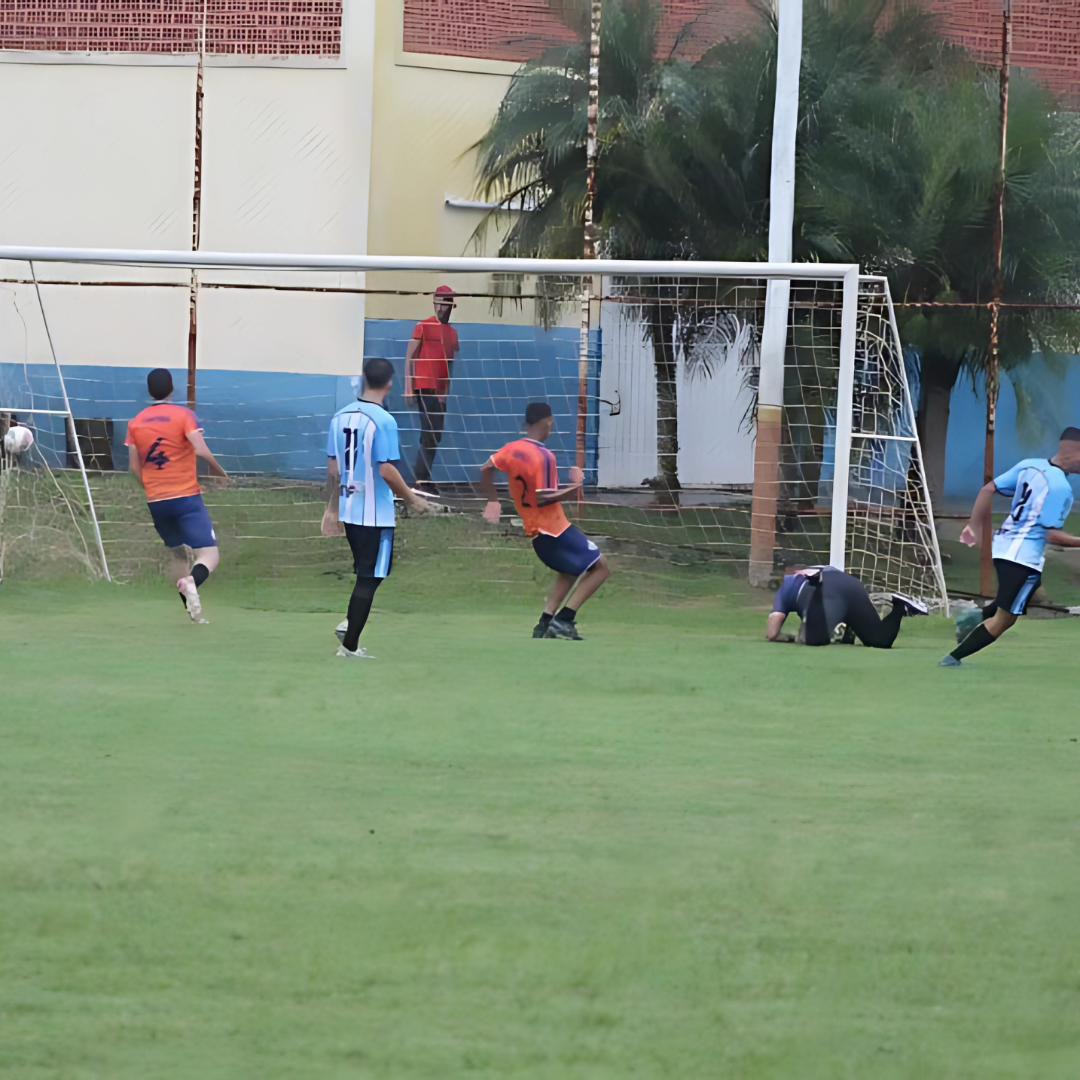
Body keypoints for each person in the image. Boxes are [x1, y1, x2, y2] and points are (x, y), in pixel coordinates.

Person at [940, 428, 1080, 667]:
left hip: (1003, 547)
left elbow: (988, 488)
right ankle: (953, 658)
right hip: (1023, 558)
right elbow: (1052, 535)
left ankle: (973, 617)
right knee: (1006, 619)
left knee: (1032, 593)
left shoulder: (1030, 466)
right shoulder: (1061, 489)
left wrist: (972, 526)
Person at [328, 357, 433, 660]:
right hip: (375, 513)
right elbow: (386, 469)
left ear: (364, 379)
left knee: (370, 572)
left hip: (349, 509)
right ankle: (348, 644)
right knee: (371, 575)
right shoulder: (384, 420)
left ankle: (350, 624)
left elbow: (333, 467)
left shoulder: (340, 417)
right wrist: (413, 500)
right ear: (389, 383)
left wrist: (331, 509)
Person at [480, 401, 610, 640]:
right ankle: (564, 620)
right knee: (600, 568)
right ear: (547, 423)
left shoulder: (510, 449)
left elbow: (486, 468)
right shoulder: (543, 456)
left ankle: (545, 623)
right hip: (553, 530)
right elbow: (542, 498)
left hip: (538, 533)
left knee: (569, 572)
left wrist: (493, 500)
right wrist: (575, 486)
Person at [125, 368, 228, 623]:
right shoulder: (184, 415)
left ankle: (194, 613)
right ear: (172, 389)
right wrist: (220, 473)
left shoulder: (135, 422)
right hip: (185, 497)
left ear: (149, 391)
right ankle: (193, 583)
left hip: (156, 501)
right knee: (209, 554)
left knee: (178, 554)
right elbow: (200, 449)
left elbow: (134, 466)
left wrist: (150, 487)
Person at [767, 564, 927, 647]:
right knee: (879, 640)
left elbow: (772, 632)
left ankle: (817, 584)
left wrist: (787, 637)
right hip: (852, 585)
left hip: (827, 589)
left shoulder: (786, 586)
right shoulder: (816, 570)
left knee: (813, 640)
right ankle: (899, 607)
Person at [405, 284, 460, 493]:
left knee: (435, 433)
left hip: (439, 392)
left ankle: (423, 477)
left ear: (451, 306)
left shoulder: (452, 334)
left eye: (446, 303)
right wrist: (409, 387)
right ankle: (421, 481)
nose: (442, 307)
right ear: (434, 302)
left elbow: (449, 365)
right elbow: (410, 356)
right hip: (423, 386)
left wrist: (445, 392)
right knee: (429, 432)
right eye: (439, 301)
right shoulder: (423, 326)